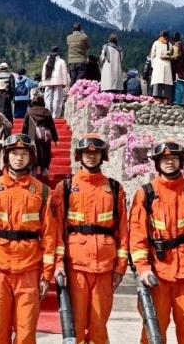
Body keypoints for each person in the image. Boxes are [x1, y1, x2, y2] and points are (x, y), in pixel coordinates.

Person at [128, 141, 184, 344]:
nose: (170, 162)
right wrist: (143, 268)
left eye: (174, 159)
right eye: (165, 159)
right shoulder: (146, 194)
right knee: (153, 333)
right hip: (157, 274)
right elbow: (137, 235)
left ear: (181, 162)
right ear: (157, 163)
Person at [53, 134, 128, 344]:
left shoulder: (114, 188)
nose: (91, 156)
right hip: (75, 265)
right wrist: (58, 264)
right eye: (87, 152)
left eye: (96, 153)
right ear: (80, 155)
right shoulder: (65, 187)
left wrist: (121, 267)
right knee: (75, 324)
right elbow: (56, 230)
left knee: (99, 325)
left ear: (103, 156)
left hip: (105, 266)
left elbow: (123, 230)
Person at [0, 135, 56, 344]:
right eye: (14, 153)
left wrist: (46, 275)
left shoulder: (42, 191)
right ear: (6, 156)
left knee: (26, 331)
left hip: (29, 268)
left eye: (24, 153)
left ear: (31, 158)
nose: (18, 158)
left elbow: (49, 235)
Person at [21, 94, 58, 180]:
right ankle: (44, 169)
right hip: (44, 137)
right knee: (44, 153)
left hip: (31, 137)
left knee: (33, 154)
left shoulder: (29, 112)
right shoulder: (47, 113)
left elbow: (25, 126)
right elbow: (52, 126)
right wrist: (55, 139)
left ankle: (33, 173)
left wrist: (23, 138)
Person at [41, 46, 69, 118]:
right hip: (58, 83)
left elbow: (43, 74)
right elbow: (64, 73)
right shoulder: (61, 61)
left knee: (48, 99)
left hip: (48, 83)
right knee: (57, 100)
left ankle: (48, 114)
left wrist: (43, 83)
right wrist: (64, 83)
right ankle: (55, 116)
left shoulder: (46, 62)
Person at [149, 31, 174, 105]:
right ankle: (166, 99)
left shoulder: (156, 43)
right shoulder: (170, 44)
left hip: (158, 63)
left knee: (157, 81)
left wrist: (153, 65)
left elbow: (152, 55)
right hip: (167, 64)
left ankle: (157, 98)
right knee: (166, 82)